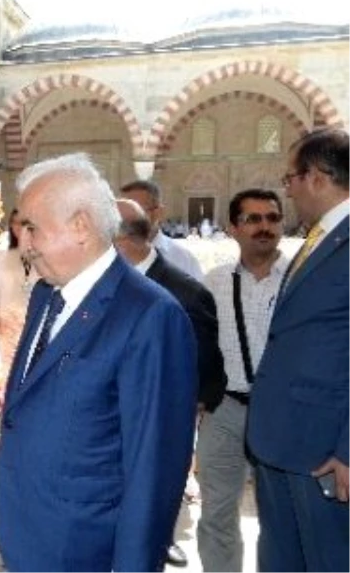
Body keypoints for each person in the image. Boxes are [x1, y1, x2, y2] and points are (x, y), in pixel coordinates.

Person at [0, 153, 197, 572]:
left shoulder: (150, 315)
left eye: (32, 227)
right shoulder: (45, 294)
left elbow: (153, 471)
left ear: (81, 227)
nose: (23, 242)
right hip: (30, 535)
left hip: (85, 547)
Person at [247, 127, 350, 571]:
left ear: (318, 177)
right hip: (280, 439)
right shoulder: (317, 238)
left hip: (324, 452)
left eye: (290, 178)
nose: (286, 191)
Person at [115, 197, 224, 568]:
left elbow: (207, 369)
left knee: (149, 515)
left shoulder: (185, 292)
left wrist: (180, 416)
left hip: (160, 428)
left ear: (120, 240)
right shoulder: (111, 285)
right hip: (114, 427)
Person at [198, 189, 289, 573]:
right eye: (253, 219)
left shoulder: (299, 280)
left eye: (271, 217)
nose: (264, 227)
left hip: (284, 416)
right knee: (217, 513)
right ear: (233, 228)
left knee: (281, 517)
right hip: (226, 413)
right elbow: (198, 346)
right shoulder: (213, 283)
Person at [0, 208, 40, 386]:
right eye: (15, 222)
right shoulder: (2, 256)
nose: (19, 227)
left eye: (23, 223)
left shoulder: (42, 254)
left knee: (33, 369)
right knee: (10, 370)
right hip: (7, 321)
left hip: (35, 319)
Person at [121, 179, 205, 280]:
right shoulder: (107, 257)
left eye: (136, 211)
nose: (126, 219)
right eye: (120, 212)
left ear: (158, 213)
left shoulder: (183, 260)